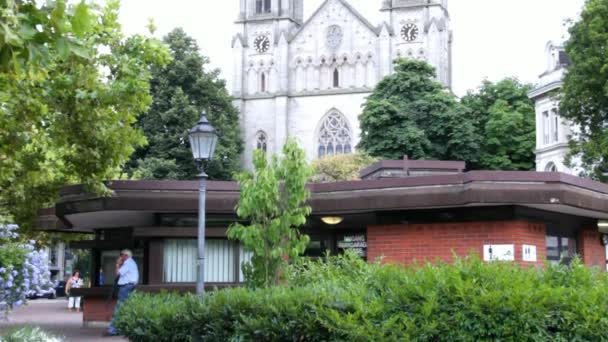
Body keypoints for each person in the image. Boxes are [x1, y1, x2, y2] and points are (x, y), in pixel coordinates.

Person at [106, 249, 139, 337]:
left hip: (125, 287)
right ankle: (124, 328)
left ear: (126, 256)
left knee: (119, 307)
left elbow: (117, 273)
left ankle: (112, 329)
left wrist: (117, 264)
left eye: (121, 255)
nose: (120, 257)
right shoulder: (132, 263)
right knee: (126, 308)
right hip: (130, 286)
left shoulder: (128, 263)